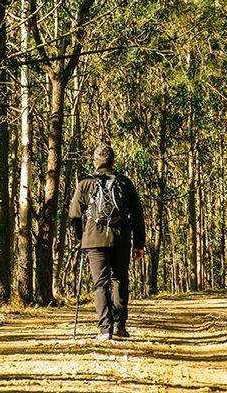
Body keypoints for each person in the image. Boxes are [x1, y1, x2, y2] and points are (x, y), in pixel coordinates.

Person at [69, 144, 145, 342]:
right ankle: (120, 325)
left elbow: (75, 215)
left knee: (100, 283)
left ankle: (105, 329)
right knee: (120, 279)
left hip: (94, 239)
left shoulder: (85, 183)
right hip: (121, 238)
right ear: (113, 161)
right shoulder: (125, 183)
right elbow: (137, 215)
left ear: (95, 162)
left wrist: (82, 237)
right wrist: (139, 244)